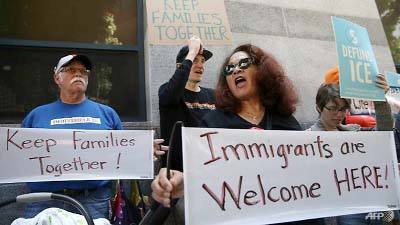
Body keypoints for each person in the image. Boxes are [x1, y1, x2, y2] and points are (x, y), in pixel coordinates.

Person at [153, 44, 322, 225]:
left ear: (262, 70)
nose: (235, 70)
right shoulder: (212, 123)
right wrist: (185, 181)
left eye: (243, 63)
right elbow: (205, 177)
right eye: (229, 68)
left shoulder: (286, 122)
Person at [22, 54, 167, 219]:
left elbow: (121, 153)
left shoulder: (107, 114)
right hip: (44, 200)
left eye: (83, 71)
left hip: (94, 200)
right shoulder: (36, 116)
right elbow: (20, 156)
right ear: (57, 78)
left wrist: (142, 151)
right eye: (71, 70)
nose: (79, 74)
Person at [309, 70, 393, 225]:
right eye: (332, 108)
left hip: (367, 205)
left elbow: (384, 133)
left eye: (342, 109)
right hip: (339, 210)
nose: (338, 114)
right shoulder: (306, 138)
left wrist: (381, 100)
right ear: (319, 108)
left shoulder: (353, 131)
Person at [158, 36, 216, 171]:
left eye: (202, 61)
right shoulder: (168, 91)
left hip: (209, 169)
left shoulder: (213, 96)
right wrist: (191, 52)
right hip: (177, 173)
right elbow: (171, 93)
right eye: (195, 60)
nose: (200, 65)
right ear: (180, 66)